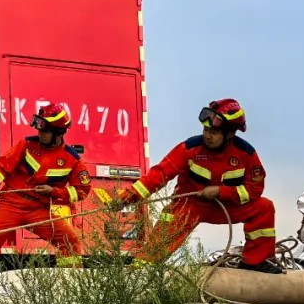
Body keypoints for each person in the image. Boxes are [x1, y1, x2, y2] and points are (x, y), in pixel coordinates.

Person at [119, 98, 281, 273]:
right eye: (205, 129)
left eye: (214, 131)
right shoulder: (189, 148)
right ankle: (141, 269)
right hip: (189, 206)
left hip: (227, 206)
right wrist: (125, 199)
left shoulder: (246, 154)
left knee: (264, 207)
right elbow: (158, 176)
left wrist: (221, 191)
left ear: (230, 134)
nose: (207, 135)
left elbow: (254, 189)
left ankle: (255, 262)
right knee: (164, 232)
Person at [0, 102, 90, 286]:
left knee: (69, 241)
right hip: (10, 203)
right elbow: (1, 167)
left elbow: (82, 190)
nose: (39, 133)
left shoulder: (72, 159)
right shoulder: (26, 144)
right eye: (38, 128)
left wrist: (54, 192)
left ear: (58, 132)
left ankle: (70, 286)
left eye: (44, 130)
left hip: (39, 210)